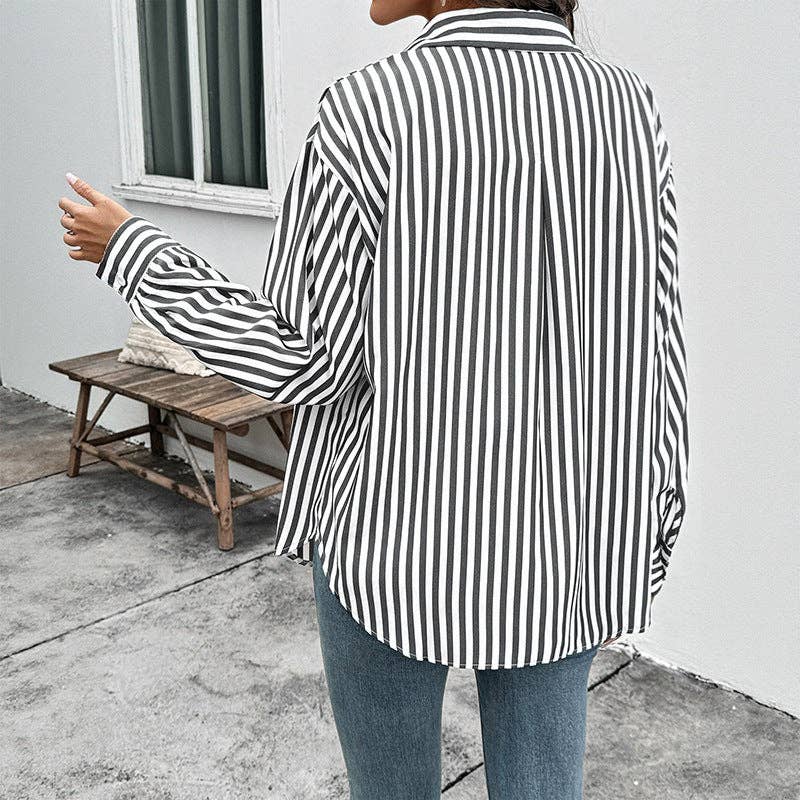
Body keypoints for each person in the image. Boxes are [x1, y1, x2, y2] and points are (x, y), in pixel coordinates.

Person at [58, 1, 689, 797]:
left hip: (389, 536)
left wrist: (134, 252)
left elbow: (302, 359)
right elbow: (656, 350)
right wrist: (649, 528)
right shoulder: (628, 111)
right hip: (570, 539)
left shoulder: (372, 107)